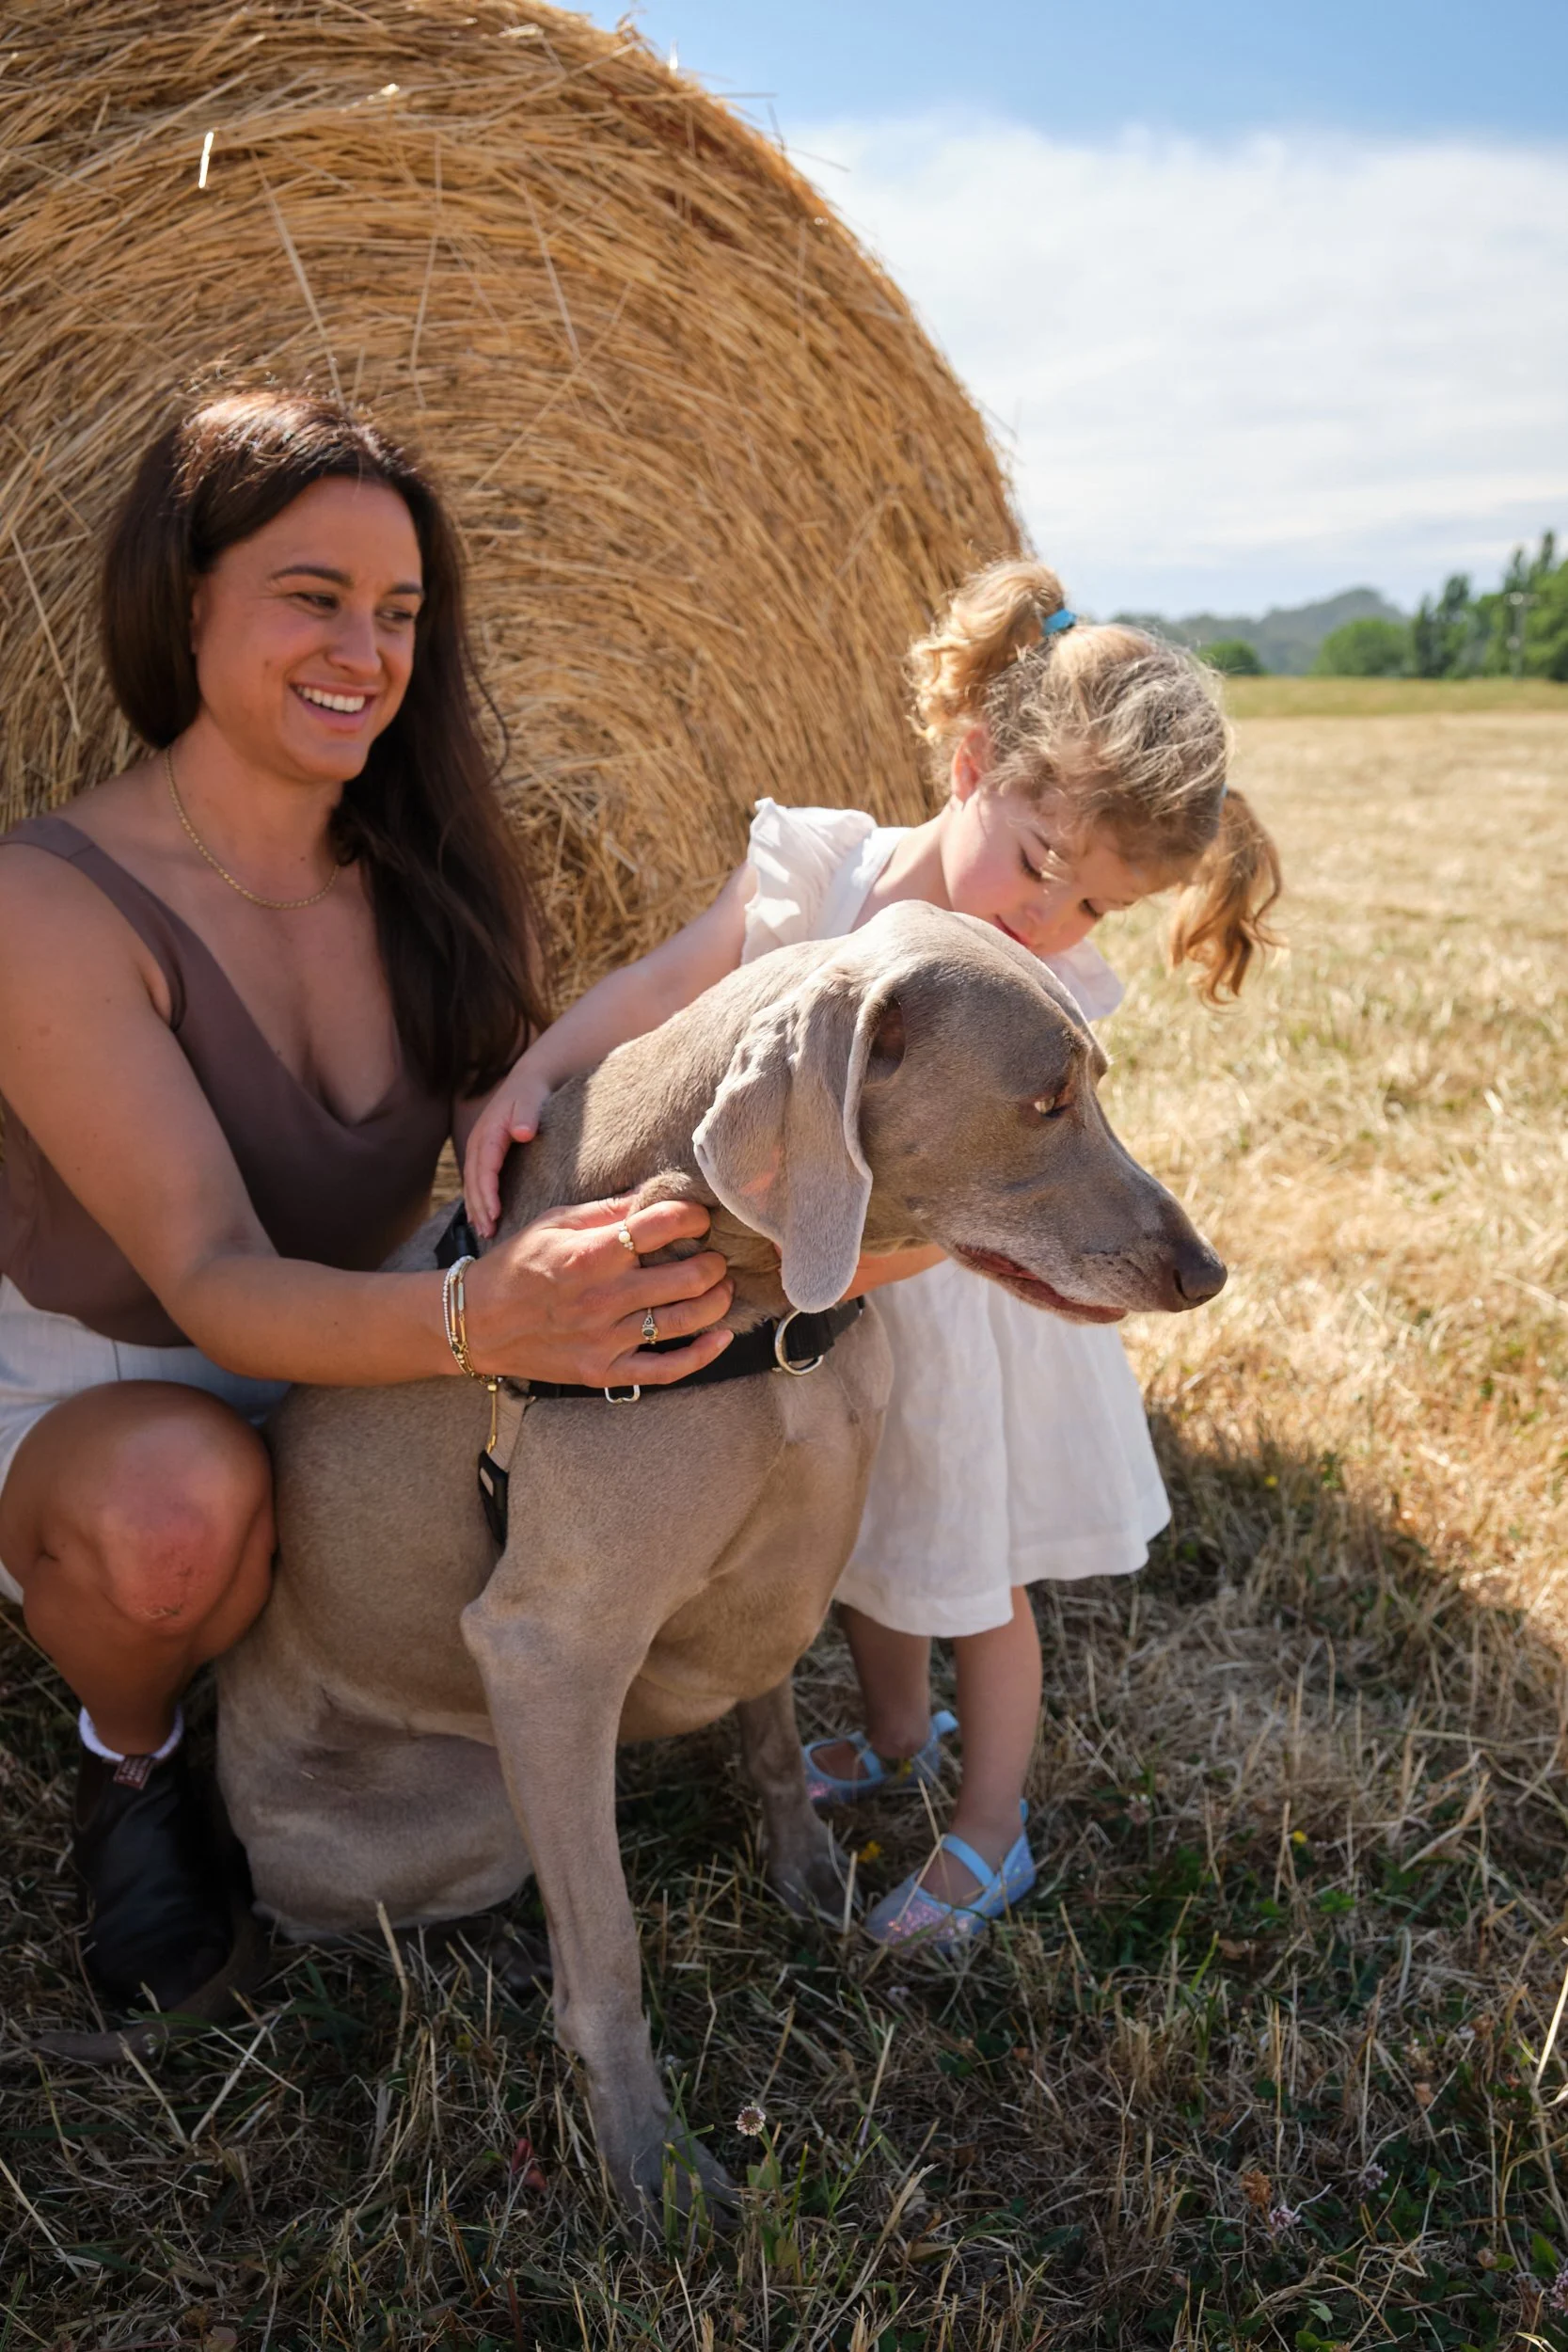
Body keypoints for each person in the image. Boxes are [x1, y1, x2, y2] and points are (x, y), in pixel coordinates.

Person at [0, 389, 746, 2020]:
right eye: (313, 596)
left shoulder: (426, 867)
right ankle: (132, 1757)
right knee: (172, 1524)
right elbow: (202, 1275)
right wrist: (485, 1318)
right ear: (184, 600)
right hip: (127, 1372)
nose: (367, 649)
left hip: (373, 1334)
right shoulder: (47, 904)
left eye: (400, 612)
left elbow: (515, 1115)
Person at [464, 556, 1283, 1954]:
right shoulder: (819, 871)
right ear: (971, 762)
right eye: (1040, 870)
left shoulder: (1043, 990)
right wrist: (529, 1080)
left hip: (961, 1293)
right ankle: (894, 1732)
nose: (1048, 924)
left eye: (1093, 911)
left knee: (971, 1564)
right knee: (862, 1551)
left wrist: (811, 1263)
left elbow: (986, 1202)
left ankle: (989, 1827)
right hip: (821, 1310)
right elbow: (662, 988)